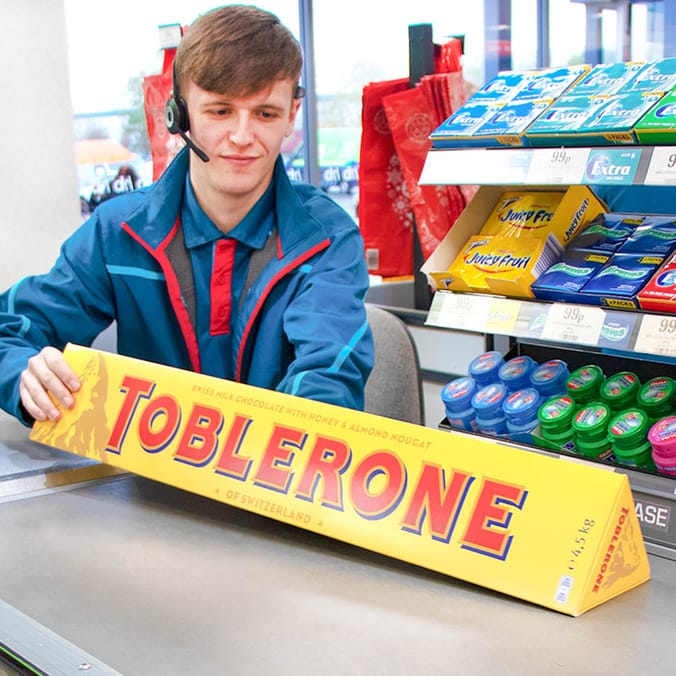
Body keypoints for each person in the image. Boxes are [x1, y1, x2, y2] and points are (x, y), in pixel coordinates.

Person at [0, 4, 374, 426]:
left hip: (276, 480)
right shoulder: (118, 232)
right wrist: (23, 376)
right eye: (220, 111)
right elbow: (8, 329)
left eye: (266, 113)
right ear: (179, 115)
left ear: (291, 116)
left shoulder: (326, 238)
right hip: (146, 487)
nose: (242, 137)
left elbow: (327, 375)